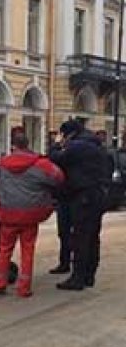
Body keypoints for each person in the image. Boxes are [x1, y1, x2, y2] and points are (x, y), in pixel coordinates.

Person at [0, 133, 64, 297]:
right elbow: (59, 177)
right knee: (27, 250)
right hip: (30, 214)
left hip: (8, 213)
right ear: (28, 144)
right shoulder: (41, 164)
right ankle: (23, 287)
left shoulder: (3, 163)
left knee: (4, 250)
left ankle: (0, 283)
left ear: (13, 145)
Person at [49, 120, 111, 291]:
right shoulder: (97, 146)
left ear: (67, 133)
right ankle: (89, 275)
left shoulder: (77, 146)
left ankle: (77, 277)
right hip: (98, 195)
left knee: (80, 237)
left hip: (83, 196)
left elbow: (56, 159)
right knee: (92, 236)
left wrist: (55, 145)